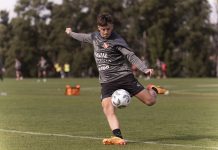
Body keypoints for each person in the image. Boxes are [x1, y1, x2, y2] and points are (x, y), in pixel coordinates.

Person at [65, 13, 168, 145]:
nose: (106, 32)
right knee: (107, 108)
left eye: (108, 29)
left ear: (112, 27)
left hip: (124, 77)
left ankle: (153, 89)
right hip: (107, 81)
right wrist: (70, 33)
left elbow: (130, 56)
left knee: (150, 101)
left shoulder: (117, 41)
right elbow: (83, 37)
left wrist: (144, 69)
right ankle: (118, 137)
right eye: (103, 29)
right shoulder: (95, 37)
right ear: (98, 28)